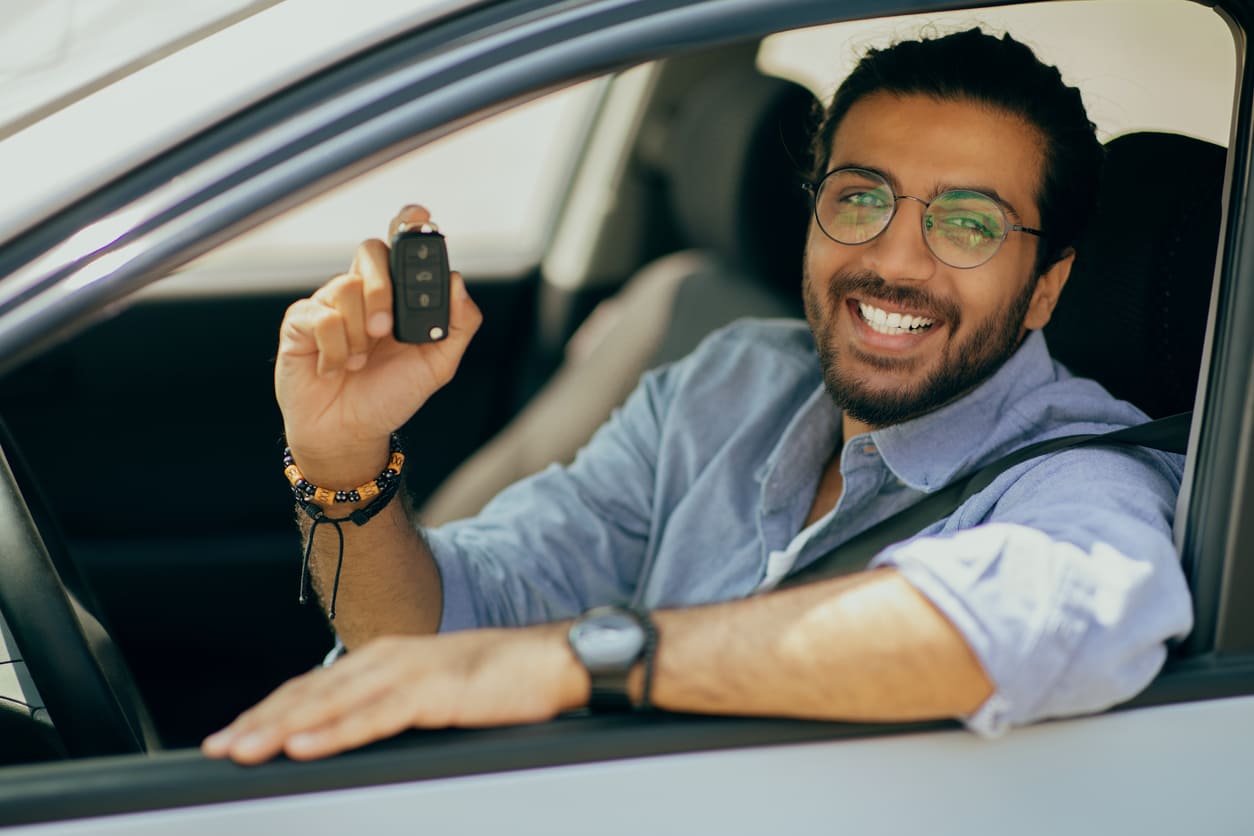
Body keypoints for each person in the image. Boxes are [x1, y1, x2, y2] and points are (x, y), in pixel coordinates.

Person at [202, 28, 1192, 765]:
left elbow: (1028, 619)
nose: (894, 260)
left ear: (1048, 288)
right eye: (859, 198)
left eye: (969, 224)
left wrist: (570, 659)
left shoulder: (1092, 469)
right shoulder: (727, 383)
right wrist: (343, 459)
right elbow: (435, 628)